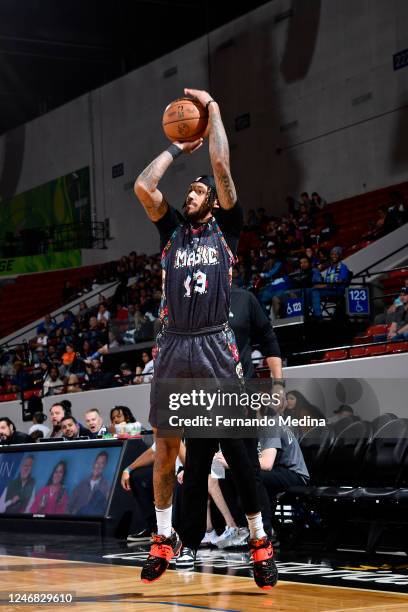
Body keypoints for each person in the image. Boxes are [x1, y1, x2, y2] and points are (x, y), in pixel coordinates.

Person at [134, 86, 277, 589]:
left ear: (214, 203)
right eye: (189, 191)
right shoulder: (171, 230)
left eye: (197, 192)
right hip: (174, 342)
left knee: (238, 450)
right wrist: (176, 147)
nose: (189, 194)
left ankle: (259, 541)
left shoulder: (228, 229)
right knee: (167, 444)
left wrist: (212, 109)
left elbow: (221, 167)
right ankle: (164, 539)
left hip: (216, 343)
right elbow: (143, 186)